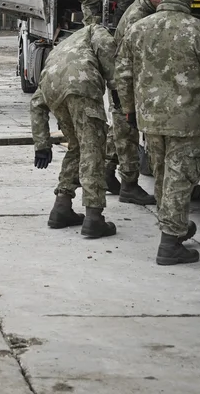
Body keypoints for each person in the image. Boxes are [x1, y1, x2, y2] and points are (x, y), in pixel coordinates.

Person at [116, 0, 200, 265]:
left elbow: (123, 74)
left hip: (149, 118)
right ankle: (170, 244)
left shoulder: (138, 29)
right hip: (185, 120)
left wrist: (130, 110)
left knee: (163, 176)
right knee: (181, 178)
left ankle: (174, 228)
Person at [29, 23, 119, 238]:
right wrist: (118, 94)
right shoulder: (97, 30)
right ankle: (94, 217)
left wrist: (42, 145)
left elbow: (36, 105)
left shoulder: (63, 46)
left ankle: (61, 207)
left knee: (77, 147)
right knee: (93, 150)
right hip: (81, 85)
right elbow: (111, 61)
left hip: (52, 85)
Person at [104, 0, 166, 206]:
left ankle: (107, 173)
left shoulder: (146, 10)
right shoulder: (138, 19)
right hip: (125, 83)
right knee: (127, 134)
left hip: (126, 81)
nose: (163, 0)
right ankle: (129, 186)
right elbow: (128, 61)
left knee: (118, 131)